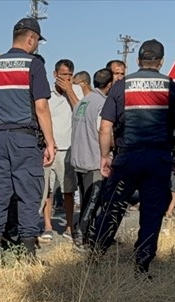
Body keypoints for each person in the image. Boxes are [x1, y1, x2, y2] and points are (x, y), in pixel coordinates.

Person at [89, 39, 175, 276]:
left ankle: (94, 257)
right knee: (152, 213)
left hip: (127, 158)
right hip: (158, 159)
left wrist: (104, 156)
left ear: (138, 60)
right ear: (161, 62)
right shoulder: (171, 87)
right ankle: (142, 266)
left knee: (112, 208)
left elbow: (105, 127)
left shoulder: (121, 86)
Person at [0, 17, 56, 266]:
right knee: (28, 195)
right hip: (25, 139)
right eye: (37, 41)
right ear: (31, 38)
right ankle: (28, 255)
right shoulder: (34, 65)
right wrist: (50, 142)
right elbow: (41, 107)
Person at [67, 64, 121, 246]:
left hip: (79, 158)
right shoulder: (102, 104)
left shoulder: (84, 101)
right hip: (93, 159)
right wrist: (113, 146)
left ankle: (91, 235)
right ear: (109, 85)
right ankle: (81, 234)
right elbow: (103, 131)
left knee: (86, 199)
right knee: (93, 201)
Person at [40, 58, 80, 243]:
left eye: (70, 75)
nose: (67, 78)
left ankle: (70, 226)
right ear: (55, 75)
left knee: (68, 190)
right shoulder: (45, 93)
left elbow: (81, 112)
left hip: (68, 148)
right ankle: (47, 226)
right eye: (63, 75)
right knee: (47, 190)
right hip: (50, 148)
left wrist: (70, 91)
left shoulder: (76, 90)